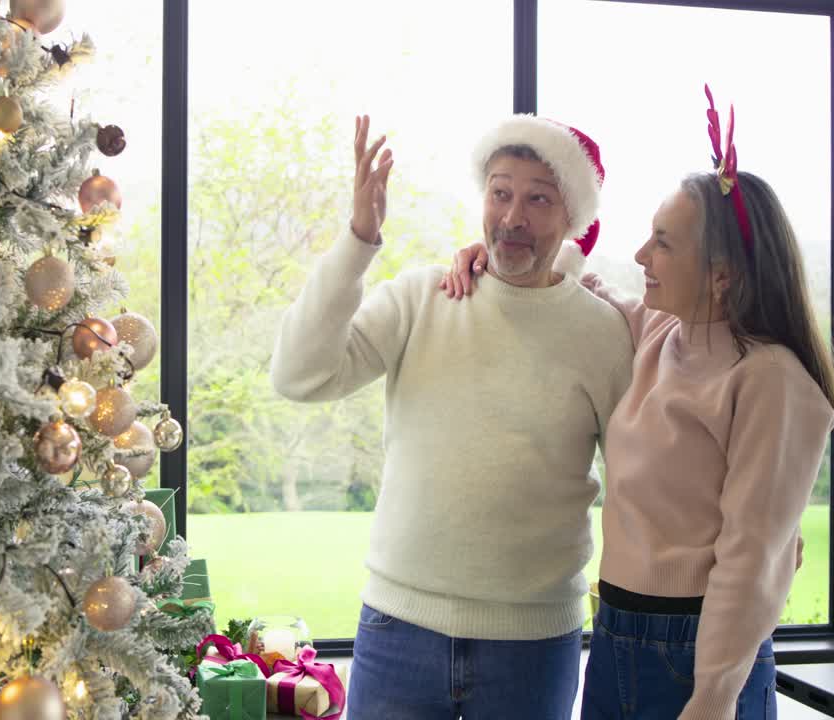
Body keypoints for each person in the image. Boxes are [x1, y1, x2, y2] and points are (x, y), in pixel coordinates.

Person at [440, 89, 834, 719]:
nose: (640, 257)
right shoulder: (656, 333)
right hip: (615, 638)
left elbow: (754, 557)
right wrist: (484, 257)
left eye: (662, 243)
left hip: (698, 655)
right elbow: (576, 287)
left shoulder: (771, 380)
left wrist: (714, 696)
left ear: (722, 273)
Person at [271, 113, 633, 719]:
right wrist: (360, 237)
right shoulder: (422, 298)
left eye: (538, 199)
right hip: (397, 631)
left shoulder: (603, 334)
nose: (513, 217)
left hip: (534, 645)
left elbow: (636, 482)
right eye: (500, 192)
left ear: (572, 219)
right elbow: (299, 374)